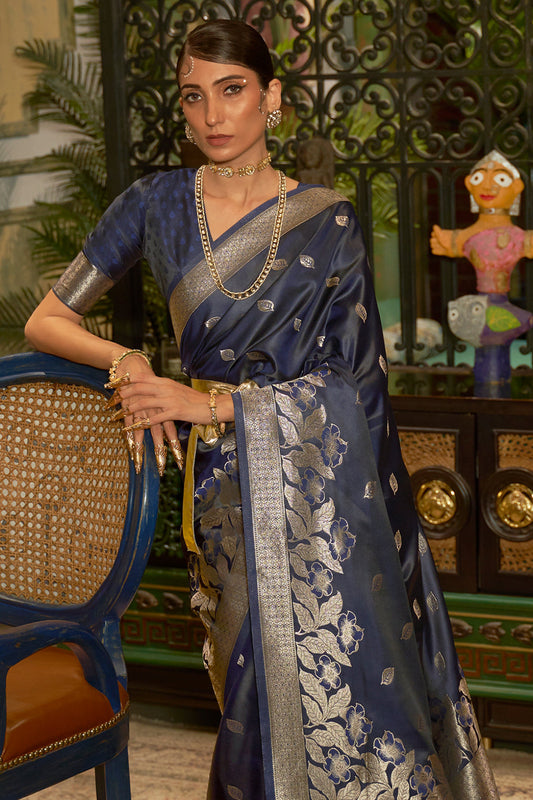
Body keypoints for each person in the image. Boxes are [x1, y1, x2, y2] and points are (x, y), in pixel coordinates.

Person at [25, 19, 499, 800]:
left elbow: (353, 386)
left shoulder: (328, 219)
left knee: (354, 686)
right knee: (251, 693)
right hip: (223, 494)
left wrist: (205, 401)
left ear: (271, 97)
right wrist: (127, 360)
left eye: (232, 90)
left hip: (326, 493)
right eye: (193, 97)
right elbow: (47, 318)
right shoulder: (154, 203)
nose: (213, 114)